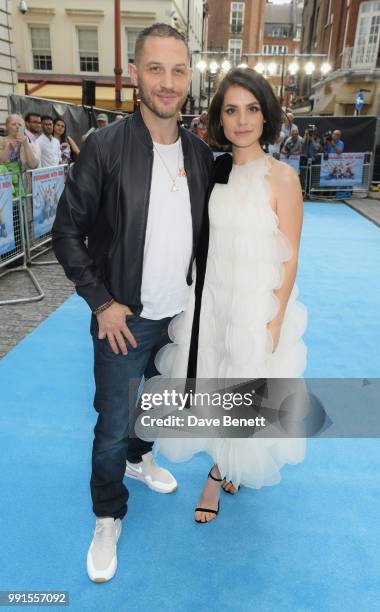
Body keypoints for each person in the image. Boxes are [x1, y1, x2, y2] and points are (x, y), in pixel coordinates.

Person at [52, 23, 213, 582]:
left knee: (154, 406)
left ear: (188, 77)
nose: (167, 83)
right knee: (113, 422)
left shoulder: (199, 154)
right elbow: (66, 233)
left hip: (179, 318)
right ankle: (107, 512)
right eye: (155, 69)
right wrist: (101, 303)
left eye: (177, 70)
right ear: (134, 75)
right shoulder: (105, 146)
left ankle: (141, 459)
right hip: (124, 319)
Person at [154, 67, 307, 523]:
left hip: (256, 303)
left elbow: (291, 255)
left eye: (252, 109)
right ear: (220, 119)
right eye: (232, 110)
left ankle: (218, 474)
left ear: (266, 114)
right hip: (213, 299)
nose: (242, 120)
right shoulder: (213, 169)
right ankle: (228, 462)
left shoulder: (282, 177)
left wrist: (275, 319)